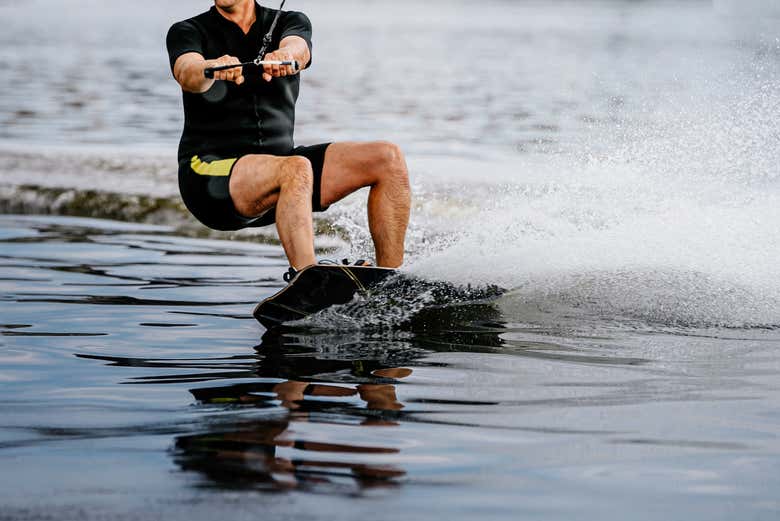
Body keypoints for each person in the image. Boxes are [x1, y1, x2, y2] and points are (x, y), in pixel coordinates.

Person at [166, 0, 410, 275]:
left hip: (285, 178)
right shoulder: (188, 30)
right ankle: (307, 278)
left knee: (387, 157)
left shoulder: (289, 21)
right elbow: (187, 72)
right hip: (210, 177)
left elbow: (299, 48)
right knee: (296, 168)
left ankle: (391, 281)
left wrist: (286, 56)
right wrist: (212, 67)